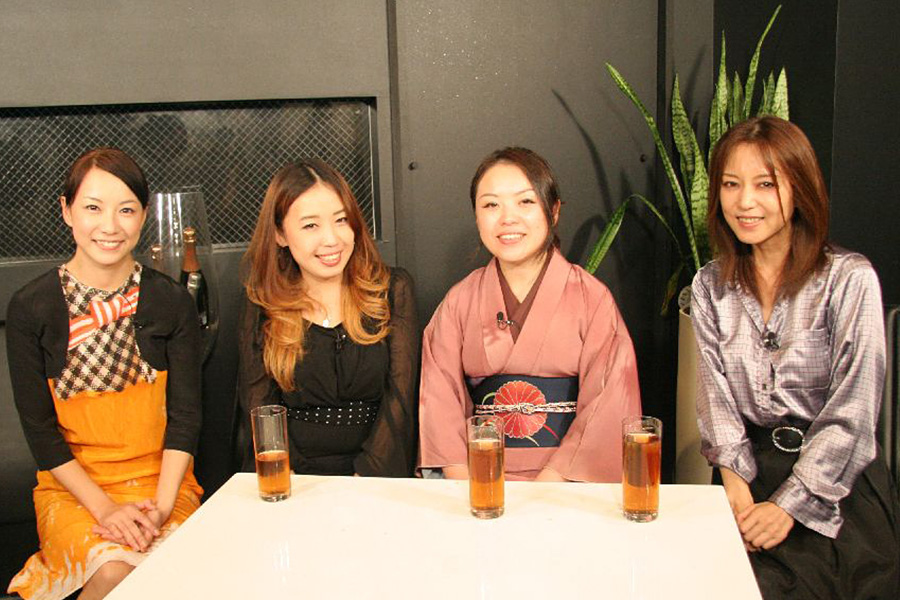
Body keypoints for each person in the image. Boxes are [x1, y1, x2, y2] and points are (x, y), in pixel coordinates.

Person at [692, 116, 900, 598]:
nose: (745, 202)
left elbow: (853, 413)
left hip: (837, 485)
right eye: (731, 184)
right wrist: (737, 494)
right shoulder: (709, 285)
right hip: (746, 477)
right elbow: (715, 403)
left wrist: (789, 505)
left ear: (800, 188)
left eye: (765, 184)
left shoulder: (848, 279)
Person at [6, 148, 203, 600]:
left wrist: (161, 508)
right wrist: (106, 509)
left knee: (170, 571)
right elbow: (40, 432)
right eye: (93, 208)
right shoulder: (31, 308)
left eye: (126, 210)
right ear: (66, 210)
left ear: (144, 215)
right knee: (115, 570)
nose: (110, 226)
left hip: (164, 487)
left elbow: (186, 418)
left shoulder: (172, 301)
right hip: (74, 492)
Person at [419, 147, 641, 481]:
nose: (507, 218)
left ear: (553, 211)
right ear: (476, 215)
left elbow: (608, 403)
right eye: (491, 205)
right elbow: (439, 403)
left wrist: (551, 484)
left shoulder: (592, 299)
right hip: (478, 479)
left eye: (525, 201)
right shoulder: (458, 302)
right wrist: (467, 485)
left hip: (566, 483)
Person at [237, 159, 418, 477]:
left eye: (341, 220)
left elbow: (399, 399)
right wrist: (292, 479)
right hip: (294, 476)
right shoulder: (262, 303)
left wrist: (365, 478)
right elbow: (260, 406)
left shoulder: (392, 290)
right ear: (280, 234)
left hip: (375, 475)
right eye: (311, 226)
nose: (332, 239)